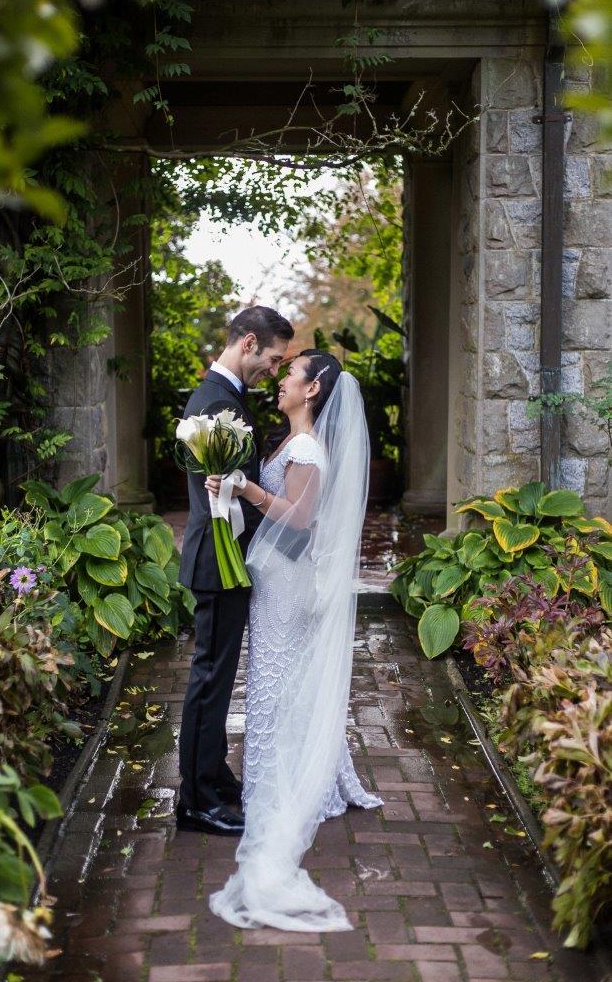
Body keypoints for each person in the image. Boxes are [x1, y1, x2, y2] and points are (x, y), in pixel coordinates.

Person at [205, 350, 381, 931]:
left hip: (286, 582)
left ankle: (292, 778)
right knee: (279, 676)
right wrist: (230, 489)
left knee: (278, 678)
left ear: (312, 390)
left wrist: (247, 492)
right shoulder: (291, 442)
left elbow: (300, 519)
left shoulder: (305, 449)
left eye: (291, 374)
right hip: (276, 579)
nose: (280, 380)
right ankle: (303, 767)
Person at [176, 306, 294, 837]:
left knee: (218, 677)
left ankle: (213, 774)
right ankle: (196, 801)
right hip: (217, 556)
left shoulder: (226, 398)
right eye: (271, 359)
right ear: (248, 343)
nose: (273, 371)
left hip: (228, 553)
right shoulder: (217, 401)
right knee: (209, 678)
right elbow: (226, 491)